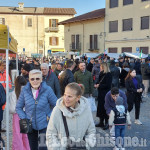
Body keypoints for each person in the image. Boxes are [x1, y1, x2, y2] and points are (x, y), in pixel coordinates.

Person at [46, 83, 96, 150]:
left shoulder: (86, 110)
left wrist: (87, 145)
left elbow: (91, 130)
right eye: (65, 95)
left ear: (78, 98)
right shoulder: (57, 110)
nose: (66, 98)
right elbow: (51, 134)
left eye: (69, 96)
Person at [16, 69, 57, 150]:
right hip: (30, 124)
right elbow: (18, 107)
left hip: (44, 124)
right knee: (33, 147)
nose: (35, 81)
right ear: (29, 80)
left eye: (37, 78)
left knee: (43, 147)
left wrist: (49, 115)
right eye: (32, 79)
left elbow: (56, 105)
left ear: (41, 79)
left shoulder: (47, 90)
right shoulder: (24, 90)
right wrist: (24, 117)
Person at [9, 76, 30, 150]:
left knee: (17, 135)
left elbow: (12, 109)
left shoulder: (14, 93)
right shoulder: (28, 91)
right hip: (25, 115)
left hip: (17, 115)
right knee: (25, 135)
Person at [95, 62, 112, 130]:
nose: (100, 68)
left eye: (101, 66)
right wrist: (96, 84)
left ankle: (107, 123)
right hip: (100, 93)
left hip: (106, 93)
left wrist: (99, 86)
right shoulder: (101, 74)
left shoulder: (108, 74)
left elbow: (108, 85)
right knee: (100, 107)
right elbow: (99, 81)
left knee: (105, 108)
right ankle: (101, 122)